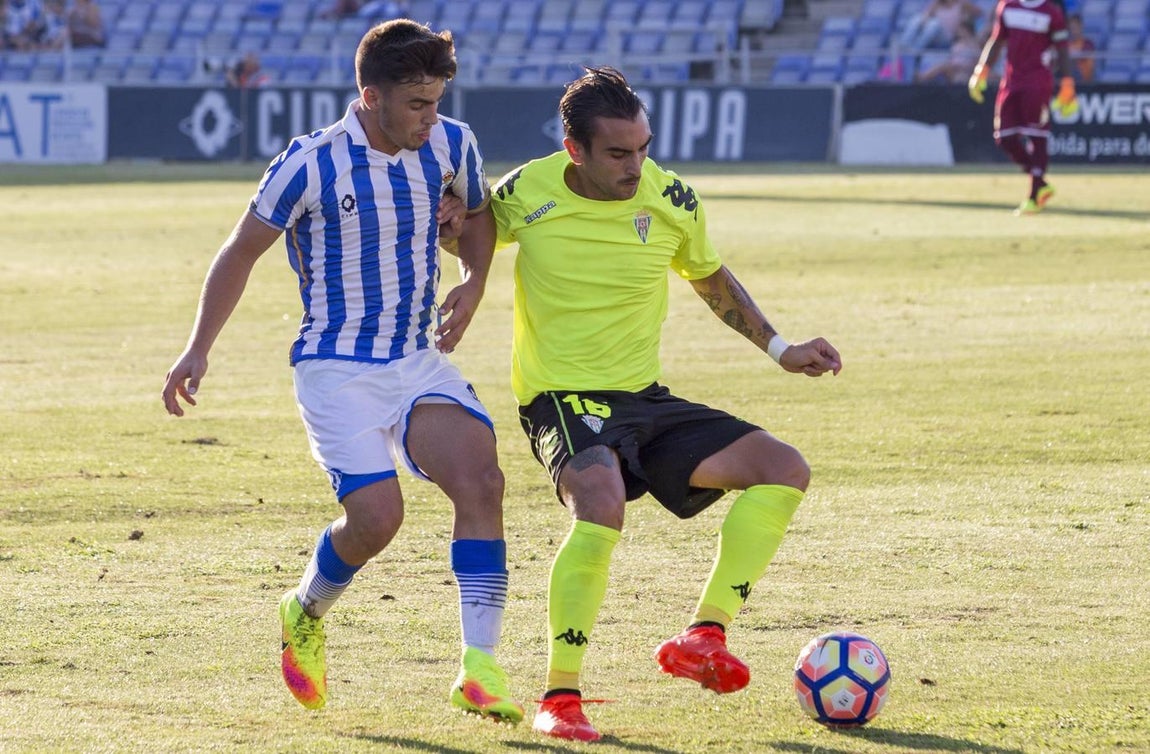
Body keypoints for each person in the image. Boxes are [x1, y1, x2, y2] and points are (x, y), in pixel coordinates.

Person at [161, 19, 523, 724]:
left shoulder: (453, 142)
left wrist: (472, 279)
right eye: (417, 103)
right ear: (370, 95)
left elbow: (477, 214)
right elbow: (239, 252)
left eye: (438, 99)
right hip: (336, 368)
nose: (431, 116)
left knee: (481, 478)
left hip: (417, 358)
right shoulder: (310, 162)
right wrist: (198, 347)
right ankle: (304, 609)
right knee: (377, 519)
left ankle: (479, 669)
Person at [489, 66, 842, 742]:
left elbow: (708, 276)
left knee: (783, 467)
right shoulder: (526, 190)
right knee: (600, 502)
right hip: (561, 397)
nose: (636, 165)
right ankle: (560, 696)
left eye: (644, 147)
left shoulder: (671, 198)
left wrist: (779, 347)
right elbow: (468, 234)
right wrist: (452, 224)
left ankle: (704, 636)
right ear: (575, 150)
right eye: (619, 153)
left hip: (644, 398)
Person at [968, 0, 1076, 214]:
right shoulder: (1007, 7)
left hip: (1038, 82)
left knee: (1036, 134)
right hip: (1011, 82)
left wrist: (1067, 83)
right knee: (1004, 137)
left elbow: (1062, 51)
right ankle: (1040, 181)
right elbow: (996, 40)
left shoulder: (1051, 13)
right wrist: (982, 70)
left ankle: (1035, 194)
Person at [899, 0, 981, 51]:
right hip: (934, 36)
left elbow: (979, 13)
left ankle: (915, 50)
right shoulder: (937, 4)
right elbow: (924, 17)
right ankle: (904, 44)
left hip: (947, 38)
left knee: (935, 24)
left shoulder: (961, 3)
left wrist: (966, 18)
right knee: (917, 18)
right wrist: (924, 20)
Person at [915, 20, 981, 83]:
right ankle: (923, 77)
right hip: (952, 67)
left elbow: (977, 61)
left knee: (959, 77)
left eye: (961, 29)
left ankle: (923, 77)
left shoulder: (974, 44)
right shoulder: (957, 43)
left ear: (966, 30)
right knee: (942, 65)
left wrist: (964, 67)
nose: (958, 31)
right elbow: (952, 57)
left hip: (966, 70)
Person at [1066, 14, 1095, 83]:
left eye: (1075, 27)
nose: (1073, 31)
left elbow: (1088, 63)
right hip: (1068, 79)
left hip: (1083, 80)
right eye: (1071, 28)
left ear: (1081, 27)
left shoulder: (1088, 44)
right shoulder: (1066, 44)